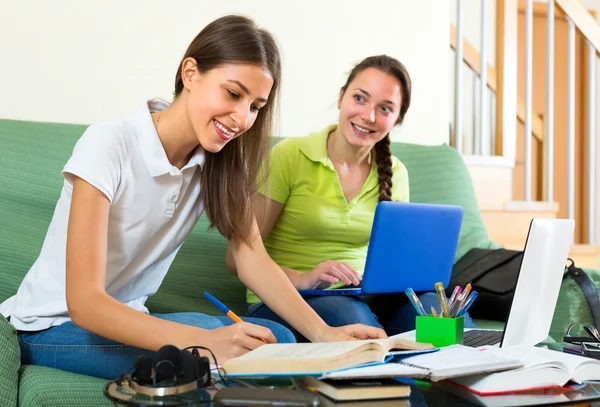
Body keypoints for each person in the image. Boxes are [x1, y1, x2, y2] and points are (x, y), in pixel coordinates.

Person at [0, 16, 385, 380]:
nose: (241, 118)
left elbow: (253, 260)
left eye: (255, 106)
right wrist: (201, 341)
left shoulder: (217, 162)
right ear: (190, 73)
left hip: (131, 318)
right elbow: (85, 304)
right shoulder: (109, 143)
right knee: (219, 354)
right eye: (233, 94)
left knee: (275, 340)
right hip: (54, 326)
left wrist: (322, 332)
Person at [227, 55, 474, 341]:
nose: (369, 116)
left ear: (397, 119)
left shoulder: (396, 173)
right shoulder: (289, 156)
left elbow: (397, 263)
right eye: (360, 98)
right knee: (356, 323)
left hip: (366, 298)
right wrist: (304, 277)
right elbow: (237, 259)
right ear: (341, 98)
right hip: (288, 297)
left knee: (444, 320)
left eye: (385, 108)